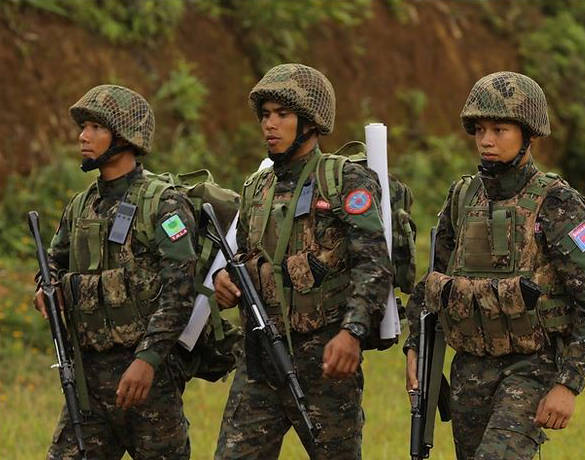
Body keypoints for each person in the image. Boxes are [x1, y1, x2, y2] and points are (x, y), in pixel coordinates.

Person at [404, 71, 585, 459]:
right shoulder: (463, 197)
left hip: (530, 369)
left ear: (529, 134)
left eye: (500, 129)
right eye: (480, 130)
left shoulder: (557, 203)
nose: (486, 141)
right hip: (469, 370)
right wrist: (415, 349)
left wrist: (568, 383)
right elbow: (432, 284)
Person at [213, 63, 393, 459]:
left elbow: (374, 264)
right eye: (265, 115)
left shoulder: (344, 180)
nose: (270, 125)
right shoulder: (256, 187)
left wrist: (352, 333)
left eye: (283, 114)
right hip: (260, 359)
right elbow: (246, 254)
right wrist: (226, 279)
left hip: (324, 360)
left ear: (311, 122)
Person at [34, 84, 197, 459]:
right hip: (87, 383)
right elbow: (53, 261)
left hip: (147, 382)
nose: (83, 136)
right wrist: (46, 286)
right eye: (83, 127)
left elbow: (180, 292)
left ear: (125, 137)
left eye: (95, 127)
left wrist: (147, 361)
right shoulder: (81, 206)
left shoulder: (163, 203)